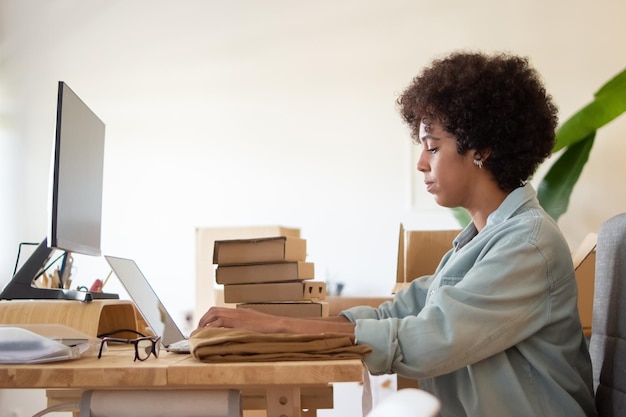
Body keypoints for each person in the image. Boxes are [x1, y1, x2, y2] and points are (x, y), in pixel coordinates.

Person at [198, 51, 597, 417]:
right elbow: (395, 313)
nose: (421, 163)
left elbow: (428, 340)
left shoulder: (527, 245)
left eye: (433, 146)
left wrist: (278, 329)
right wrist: (264, 325)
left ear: (483, 149)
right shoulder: (476, 242)